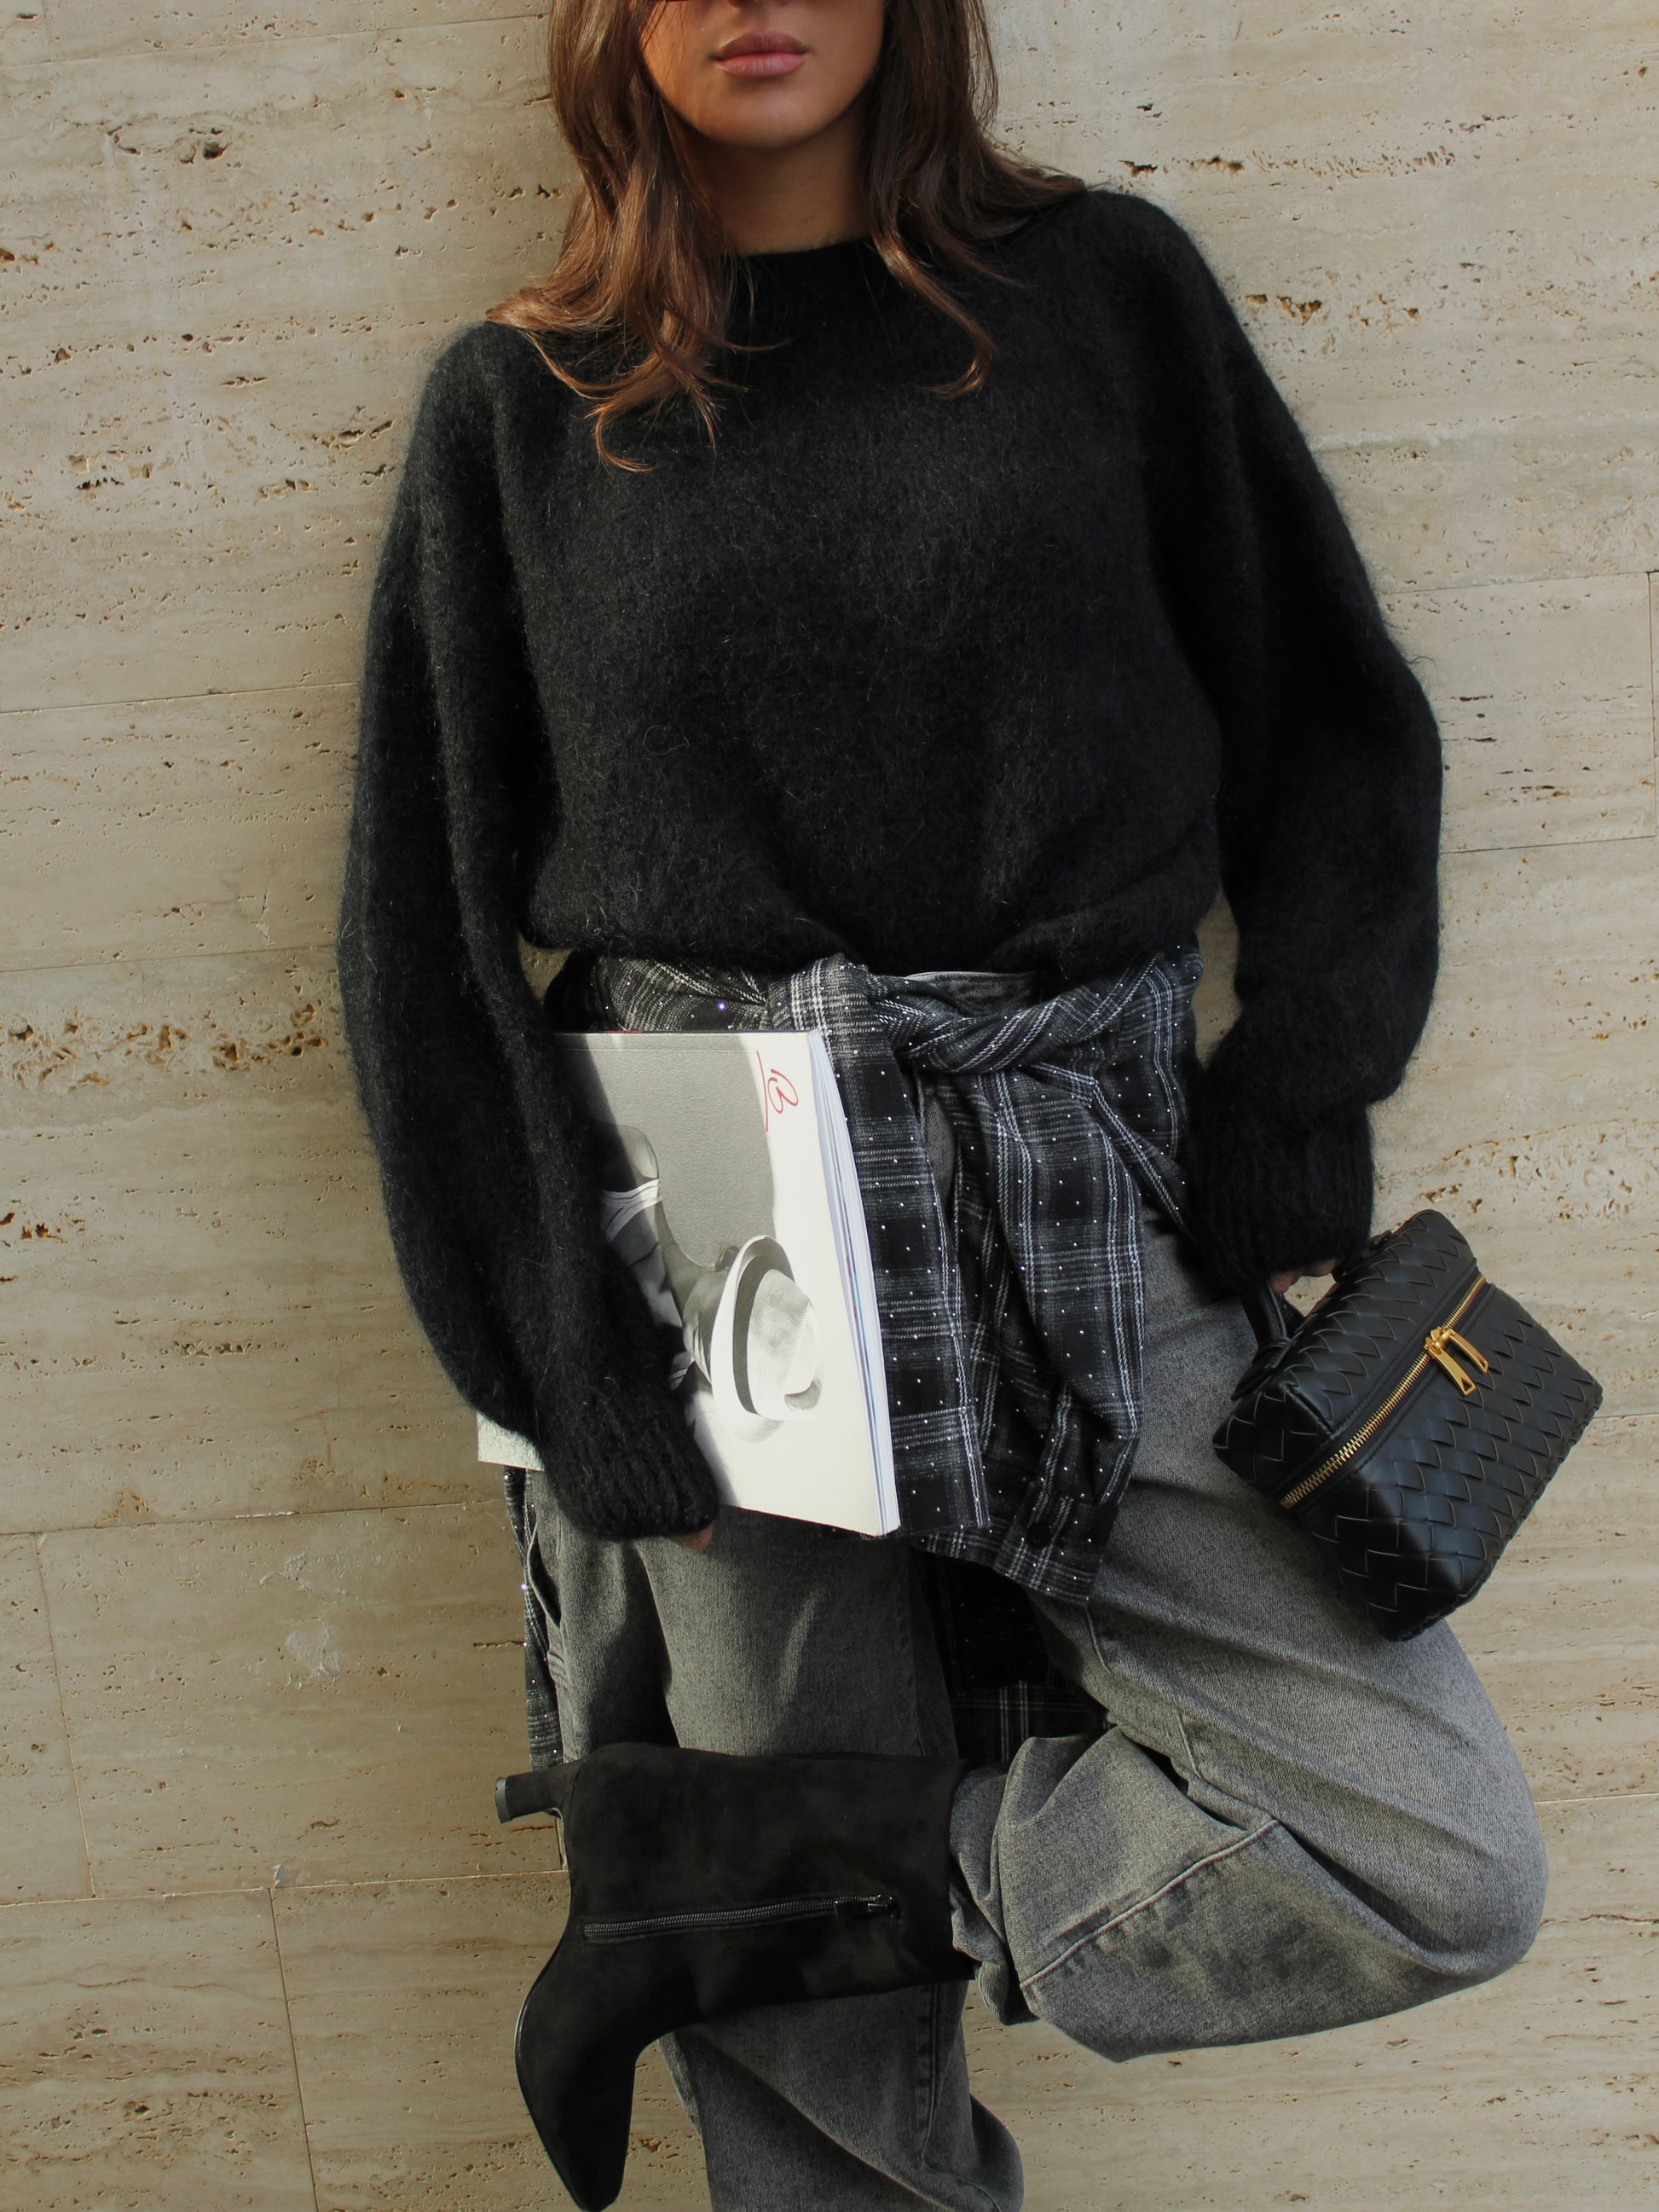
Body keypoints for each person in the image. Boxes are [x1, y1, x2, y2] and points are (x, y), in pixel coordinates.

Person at [336, 0, 1549, 2205]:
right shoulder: (523, 402)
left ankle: (788, 1873)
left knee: (1426, 1845)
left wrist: (1295, 1094)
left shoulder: (1104, 298)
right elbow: (421, 930)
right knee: (816, 2080)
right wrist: (561, 1360)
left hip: (1085, 1166)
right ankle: (765, 1889)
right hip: (713, 1234)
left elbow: (1333, 725)